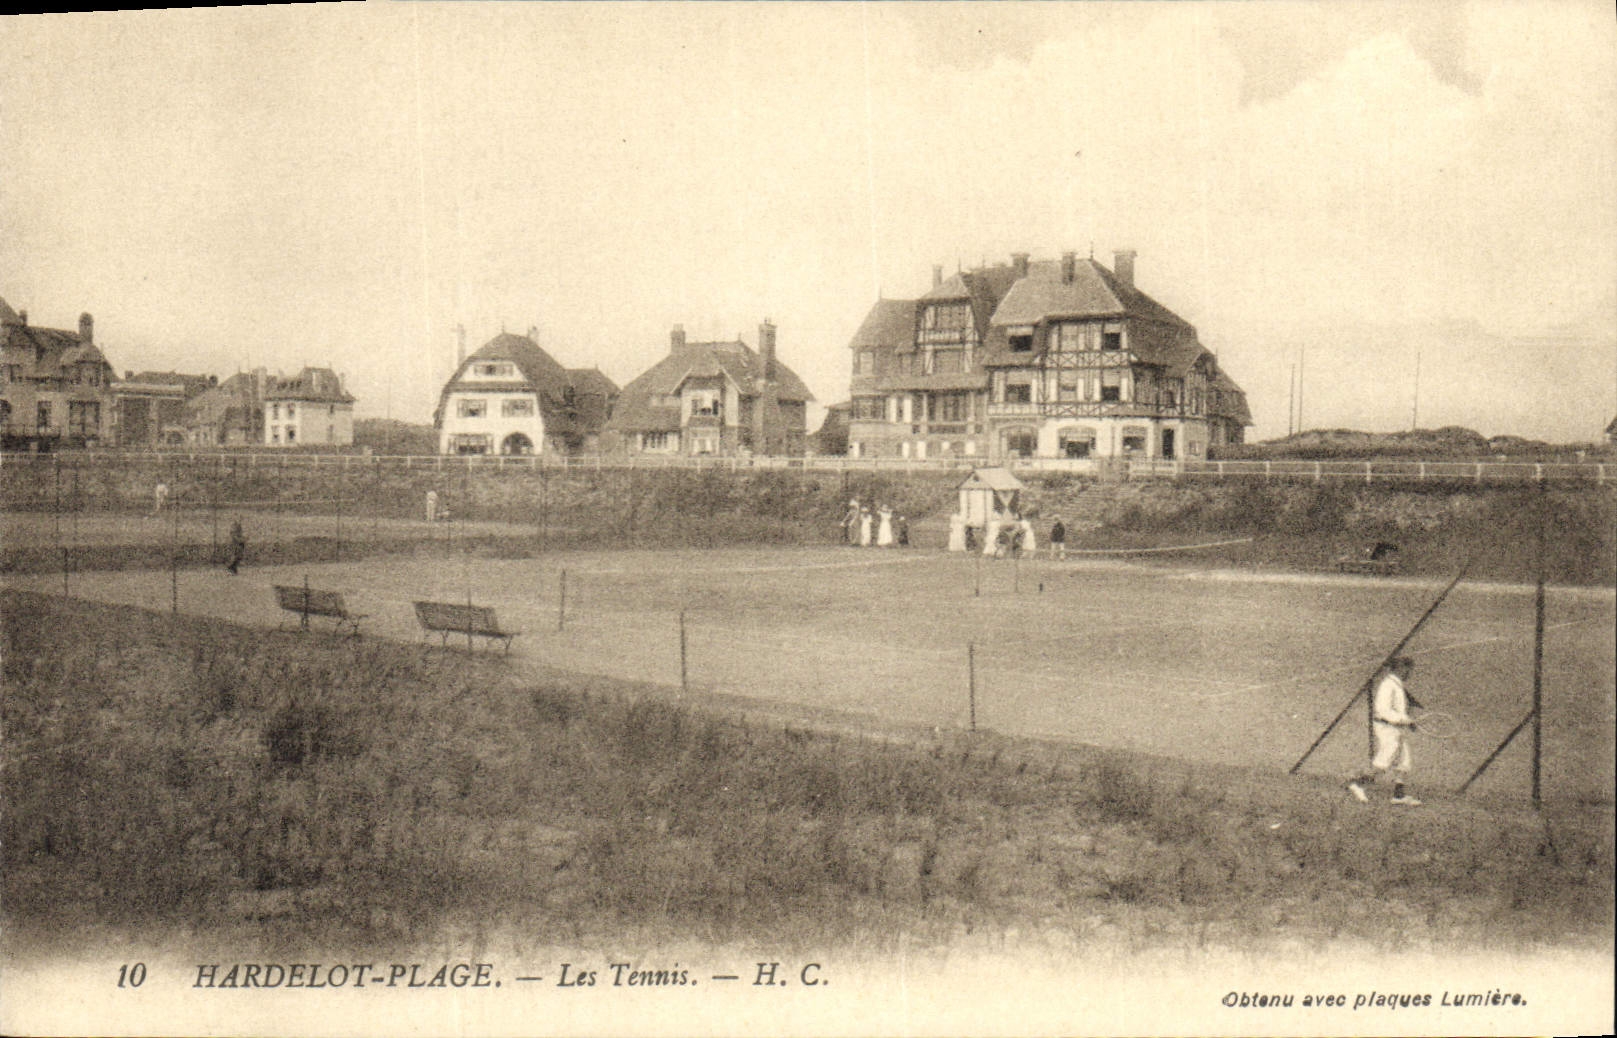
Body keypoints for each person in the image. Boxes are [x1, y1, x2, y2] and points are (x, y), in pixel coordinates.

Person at [1348, 657, 1422, 806]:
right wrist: (1403, 719)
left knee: (1404, 761)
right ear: (1400, 668)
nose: (1410, 673)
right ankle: (1357, 784)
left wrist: (1407, 721)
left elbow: (1397, 710)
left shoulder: (1397, 685)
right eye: (1408, 669)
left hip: (1396, 728)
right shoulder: (1388, 685)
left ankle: (1398, 796)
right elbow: (1383, 710)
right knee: (1384, 760)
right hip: (1386, 728)